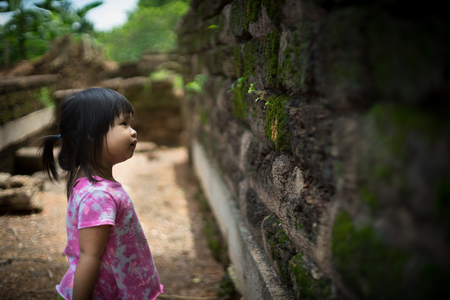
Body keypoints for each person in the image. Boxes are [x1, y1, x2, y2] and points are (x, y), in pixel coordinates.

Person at [40, 87, 163, 300]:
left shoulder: (95, 186)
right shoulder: (99, 195)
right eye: (123, 124)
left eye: (131, 123)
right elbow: (89, 257)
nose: (133, 131)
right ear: (91, 133)